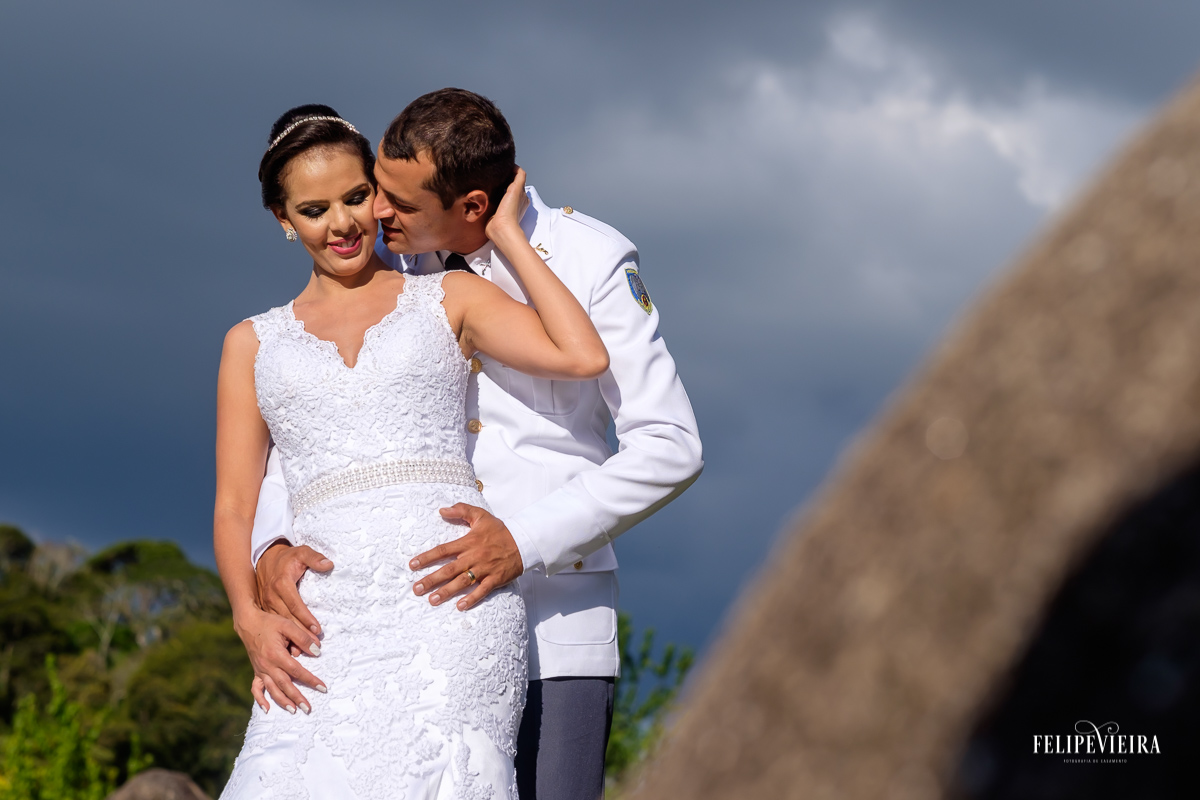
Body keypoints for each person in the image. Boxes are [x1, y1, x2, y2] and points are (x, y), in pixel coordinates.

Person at [251, 89, 704, 800]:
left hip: (553, 616)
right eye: (379, 192)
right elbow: (314, 416)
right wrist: (271, 544)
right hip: (406, 620)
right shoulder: (383, 262)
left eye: (395, 201)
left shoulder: (592, 259)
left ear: (469, 205)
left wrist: (522, 539)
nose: (375, 214)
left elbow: (671, 444)